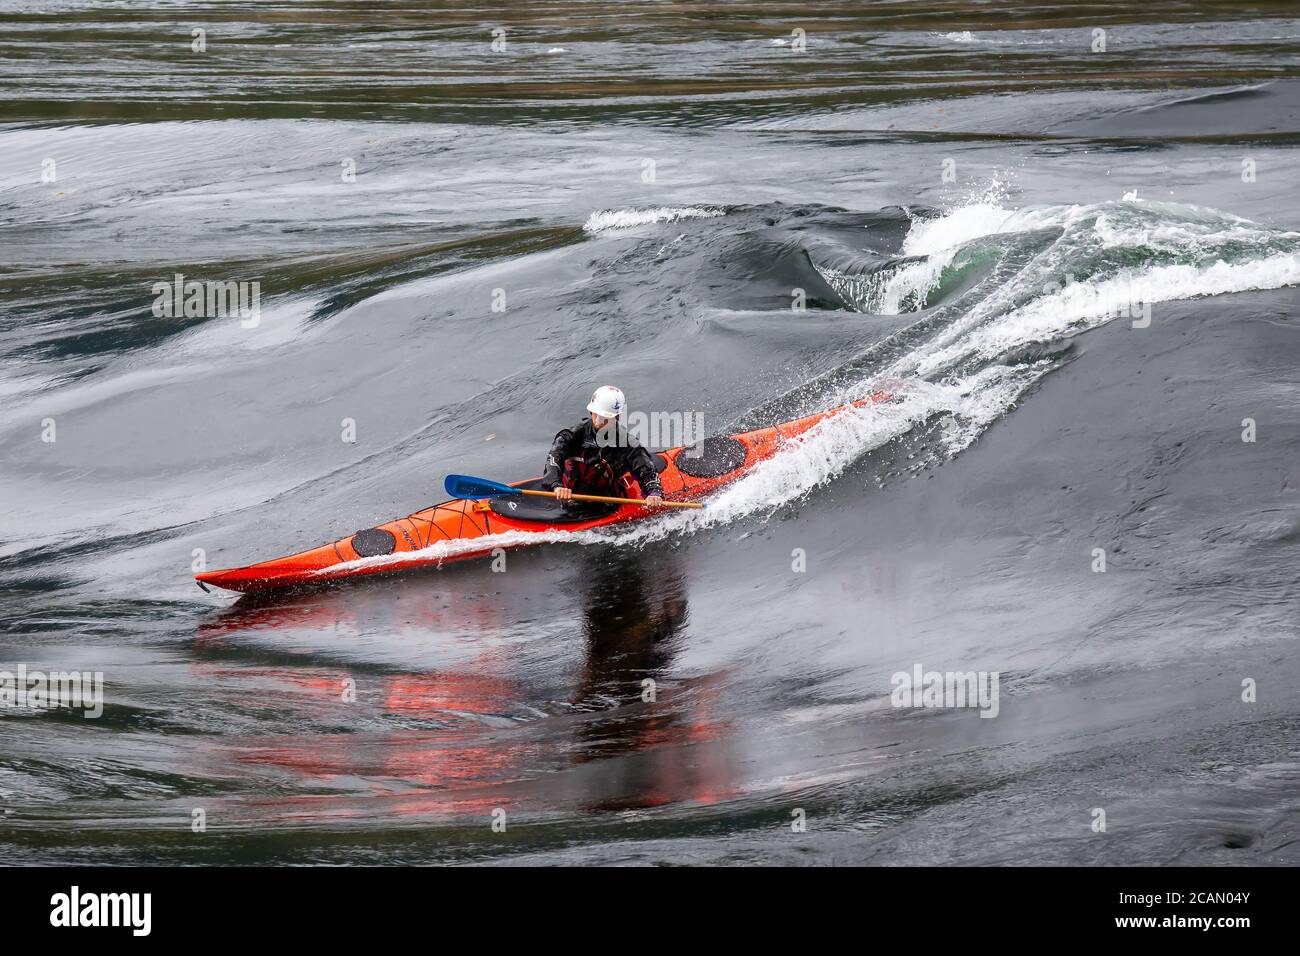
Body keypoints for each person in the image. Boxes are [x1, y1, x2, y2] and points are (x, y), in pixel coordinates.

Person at [542, 386, 664, 508]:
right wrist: (556, 486)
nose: (600, 420)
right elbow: (553, 460)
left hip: (607, 504)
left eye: (606, 417)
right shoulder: (571, 435)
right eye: (598, 414)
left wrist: (653, 493)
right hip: (566, 497)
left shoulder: (628, 443)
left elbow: (647, 472)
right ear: (591, 412)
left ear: (617, 417)